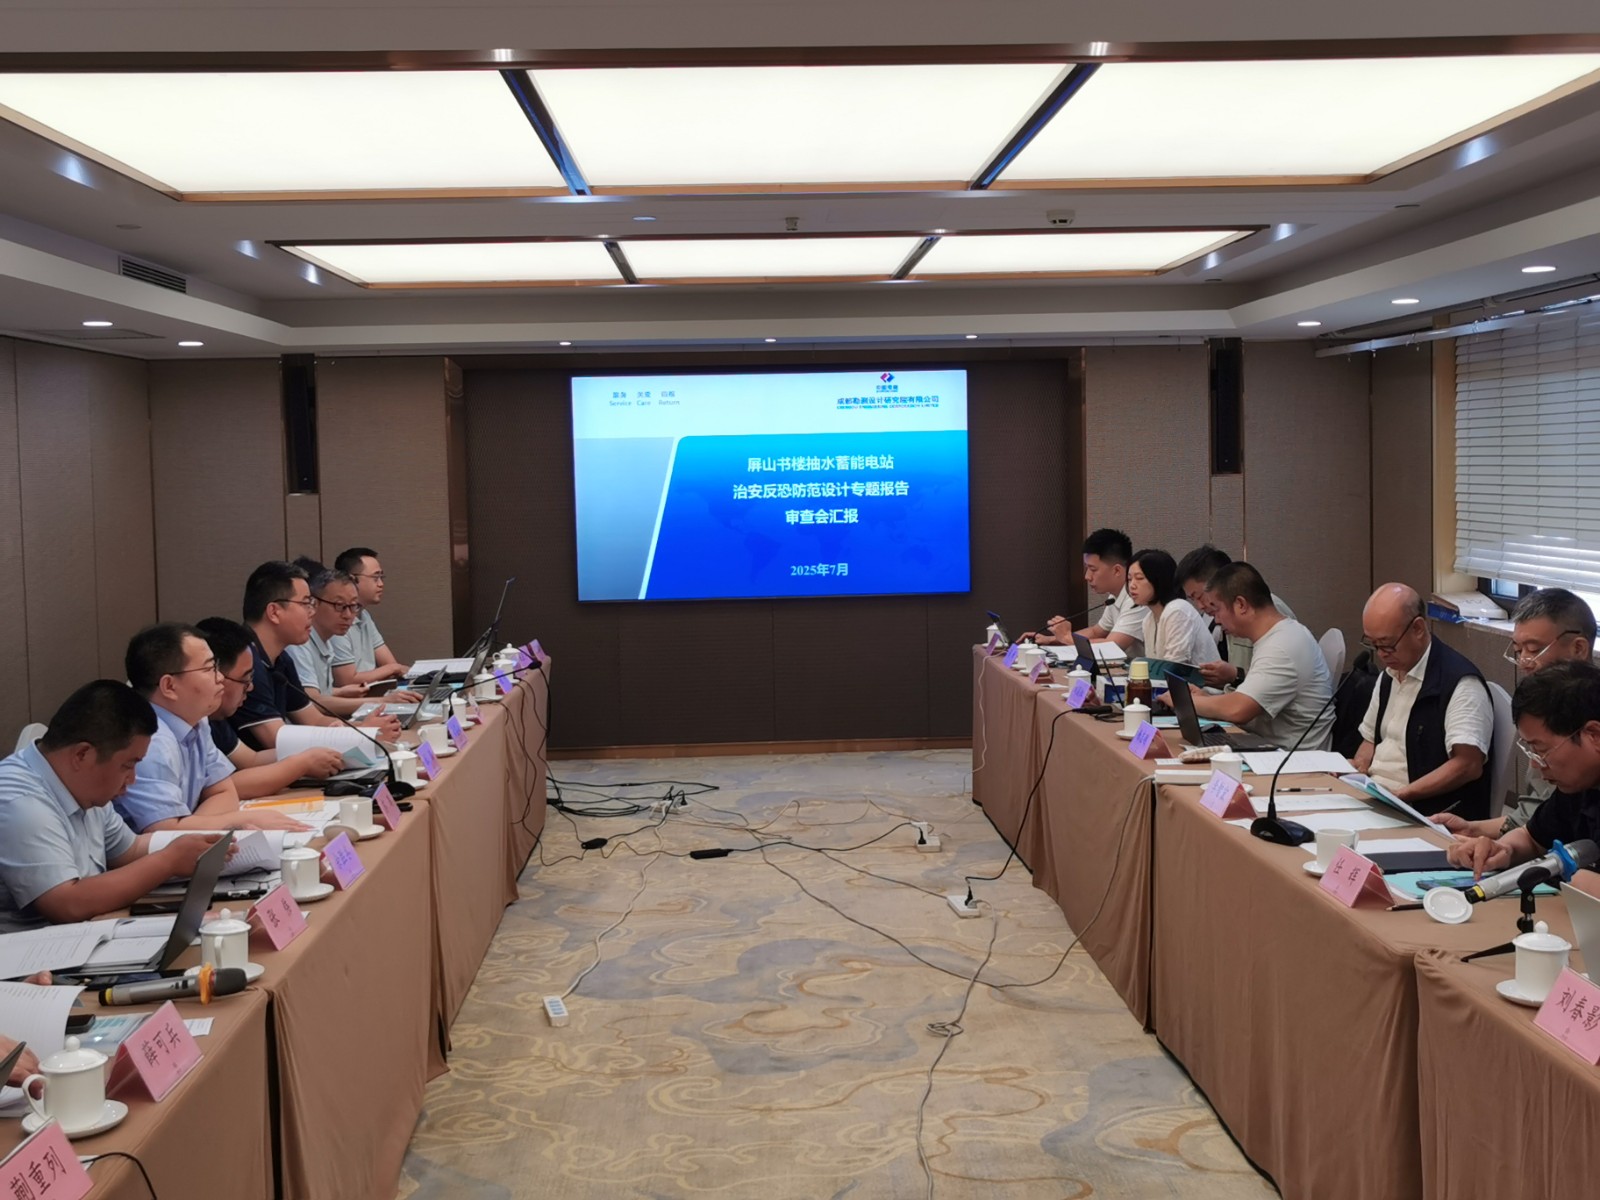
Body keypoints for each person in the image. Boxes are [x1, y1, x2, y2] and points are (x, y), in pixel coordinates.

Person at [0, 681, 223, 933]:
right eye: (128, 765)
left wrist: (197, 846)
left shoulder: (85, 787)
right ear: (82, 754)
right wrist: (168, 860)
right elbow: (66, 904)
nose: (132, 779)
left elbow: (130, 849)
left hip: (85, 934)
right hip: (32, 951)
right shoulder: (19, 801)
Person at [113, 623, 307, 833]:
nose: (220, 677)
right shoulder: (152, 743)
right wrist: (235, 821)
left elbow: (225, 792)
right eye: (208, 669)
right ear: (169, 686)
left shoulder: (197, 721)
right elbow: (164, 832)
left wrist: (193, 825)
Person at [1438, 588, 1596, 840]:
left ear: (1578, 649)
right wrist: (1472, 829)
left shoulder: (1577, 728)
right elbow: (1533, 823)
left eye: (1533, 649)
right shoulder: (1540, 714)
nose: (1524, 661)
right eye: (1518, 651)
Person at [1446, 660, 1600, 890]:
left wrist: (1581, 882)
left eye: (1542, 750)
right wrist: (1503, 849)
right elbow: (1532, 838)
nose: (1536, 764)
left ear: (1594, 735)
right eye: (1531, 750)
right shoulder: (1578, 785)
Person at [1350, 583, 1494, 819]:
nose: (1382, 654)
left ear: (1417, 628)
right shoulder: (1388, 676)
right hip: (1379, 798)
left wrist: (1403, 795)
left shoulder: (1460, 683)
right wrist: (1359, 768)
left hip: (1425, 811)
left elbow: (1468, 765)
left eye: (1388, 644)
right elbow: (1370, 741)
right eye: (1373, 644)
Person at [228, 560, 401, 750]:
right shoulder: (247, 662)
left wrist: (362, 729)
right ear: (274, 612)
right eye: (306, 603)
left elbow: (314, 719)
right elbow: (277, 739)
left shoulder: (281, 659)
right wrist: (361, 734)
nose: (312, 612)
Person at [196, 617, 347, 800]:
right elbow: (224, 787)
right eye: (245, 680)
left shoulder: (206, 720)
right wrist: (302, 763)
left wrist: (321, 750)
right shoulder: (183, 723)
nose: (250, 687)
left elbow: (251, 760)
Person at [1187, 562, 1334, 750]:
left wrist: (1186, 702)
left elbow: (1238, 709)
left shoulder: (1282, 645)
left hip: (1291, 759)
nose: (1216, 620)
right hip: (1266, 747)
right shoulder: (1276, 637)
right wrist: (1205, 699)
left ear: (1240, 605)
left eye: (1217, 610)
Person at [1175, 544, 1298, 687]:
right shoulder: (1226, 614)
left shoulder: (1268, 610)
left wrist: (1235, 675)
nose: (1200, 606)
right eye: (1192, 599)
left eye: (1199, 596)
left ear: (1218, 582)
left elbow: (1273, 683)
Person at [1033, 528, 1147, 654]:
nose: (1087, 576)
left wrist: (1067, 638)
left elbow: (1112, 646)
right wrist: (1051, 639)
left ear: (1117, 570)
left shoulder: (1137, 599)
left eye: (1093, 569)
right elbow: (1096, 632)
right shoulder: (1114, 597)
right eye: (1087, 568)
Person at [331, 547, 412, 687]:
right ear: (351, 579)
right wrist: (393, 668)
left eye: (381, 577)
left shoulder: (364, 615)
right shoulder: (337, 621)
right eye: (375, 578)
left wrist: (395, 669)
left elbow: (389, 663)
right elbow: (347, 681)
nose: (381, 584)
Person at [1126, 549, 1219, 669]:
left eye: (1139, 578)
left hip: (1203, 681)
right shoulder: (1148, 620)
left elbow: (1173, 667)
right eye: (1129, 579)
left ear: (1158, 579)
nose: (1132, 585)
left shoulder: (1177, 610)